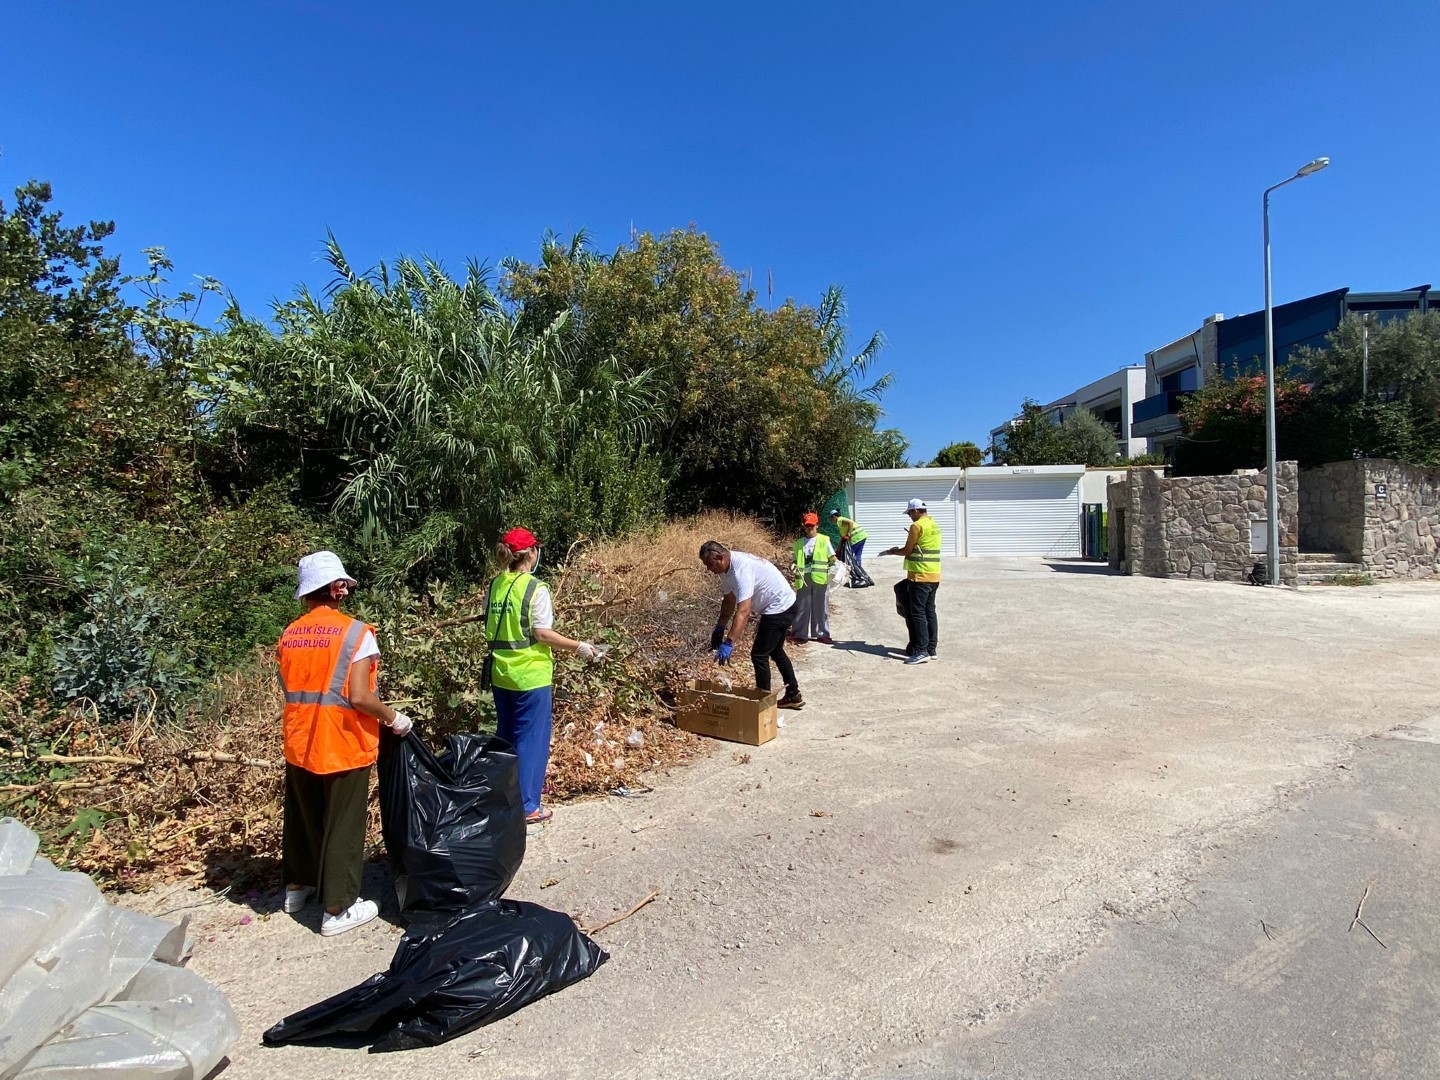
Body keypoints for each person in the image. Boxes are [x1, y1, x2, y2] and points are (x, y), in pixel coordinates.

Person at [279, 550, 413, 937]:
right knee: (343, 823)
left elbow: (290, 688)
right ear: (338, 589)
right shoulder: (357, 634)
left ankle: (296, 889)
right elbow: (359, 695)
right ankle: (338, 908)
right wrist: (393, 717)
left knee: (304, 817)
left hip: (300, 738)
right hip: (341, 741)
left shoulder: (291, 633)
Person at [486, 527, 603, 825]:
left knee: (507, 738)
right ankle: (527, 807)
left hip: (501, 674)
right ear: (532, 553)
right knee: (531, 741)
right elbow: (541, 633)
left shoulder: (495, 585)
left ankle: (505, 799)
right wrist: (580, 647)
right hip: (530, 676)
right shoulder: (535, 588)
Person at [699, 540, 804, 710]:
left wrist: (729, 642)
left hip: (781, 607)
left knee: (759, 655)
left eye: (709, 564)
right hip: (779, 605)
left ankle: (763, 705)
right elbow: (729, 599)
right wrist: (720, 627)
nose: (708, 569)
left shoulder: (741, 570)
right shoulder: (725, 569)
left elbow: (744, 611)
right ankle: (793, 694)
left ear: (719, 557)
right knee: (775, 651)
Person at [880, 498, 942, 665]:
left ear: (916, 511)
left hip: (919, 576)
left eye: (909, 513)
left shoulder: (917, 526)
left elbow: (908, 550)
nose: (909, 516)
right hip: (933, 574)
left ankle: (921, 650)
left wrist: (894, 551)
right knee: (930, 611)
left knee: (918, 613)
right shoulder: (933, 524)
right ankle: (931, 648)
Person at [790, 512, 836, 645]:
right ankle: (800, 634)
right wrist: (792, 565)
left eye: (812, 525)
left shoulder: (824, 540)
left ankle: (822, 633)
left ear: (817, 525)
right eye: (807, 526)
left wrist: (839, 566)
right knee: (802, 607)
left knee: (821, 606)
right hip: (803, 578)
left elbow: (832, 557)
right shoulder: (799, 543)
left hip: (820, 578)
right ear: (803, 526)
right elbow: (795, 560)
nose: (809, 528)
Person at [828, 508, 871, 585]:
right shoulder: (840, 522)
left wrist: (848, 534)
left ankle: (857, 574)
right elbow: (843, 538)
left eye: (831, 518)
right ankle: (859, 573)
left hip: (857, 538)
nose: (831, 520)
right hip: (861, 536)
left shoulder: (840, 520)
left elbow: (850, 523)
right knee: (857, 555)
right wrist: (838, 548)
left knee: (854, 557)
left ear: (834, 516)